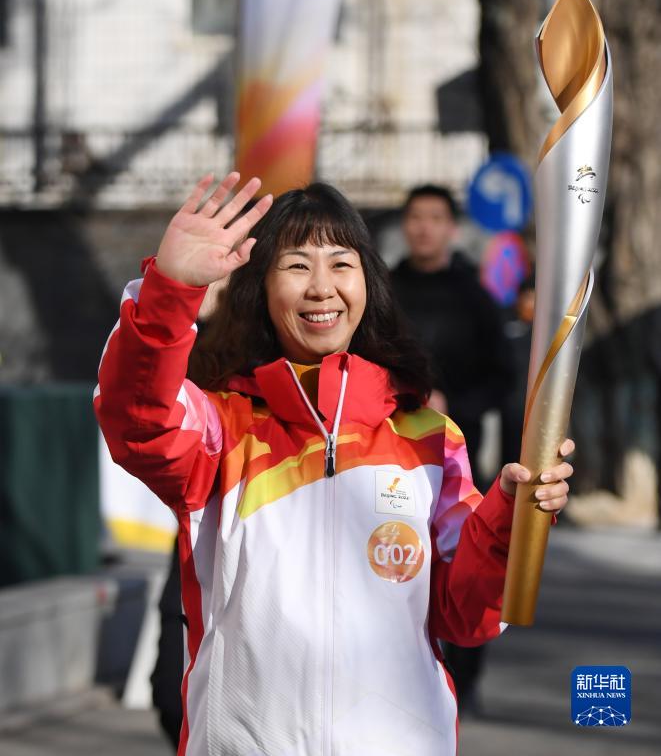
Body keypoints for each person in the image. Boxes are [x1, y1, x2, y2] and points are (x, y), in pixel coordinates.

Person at [95, 172, 574, 756]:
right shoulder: (222, 428)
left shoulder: (428, 439)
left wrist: (510, 517)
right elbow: (137, 417)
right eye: (297, 266)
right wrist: (169, 293)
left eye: (341, 264)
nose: (322, 287)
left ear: (367, 282)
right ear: (261, 289)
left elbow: (466, 613)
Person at [389, 183, 516, 716]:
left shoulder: (475, 296)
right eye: (416, 217)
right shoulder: (382, 290)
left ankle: (465, 677)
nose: (424, 228)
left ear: (451, 228)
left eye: (435, 218)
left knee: (466, 558)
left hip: (457, 451)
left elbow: (503, 376)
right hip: (390, 450)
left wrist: (454, 405)